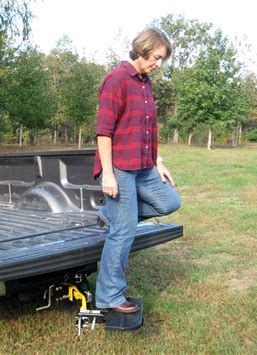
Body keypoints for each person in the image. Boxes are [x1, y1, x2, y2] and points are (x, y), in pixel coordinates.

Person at [94, 28, 181, 314]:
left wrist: (158, 161)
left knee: (170, 201)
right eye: (157, 57)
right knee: (124, 230)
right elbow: (104, 132)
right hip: (119, 166)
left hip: (143, 165)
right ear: (142, 49)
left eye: (162, 60)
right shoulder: (117, 79)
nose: (159, 63)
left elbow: (147, 130)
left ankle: (110, 213)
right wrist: (107, 173)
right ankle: (109, 295)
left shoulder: (145, 83)